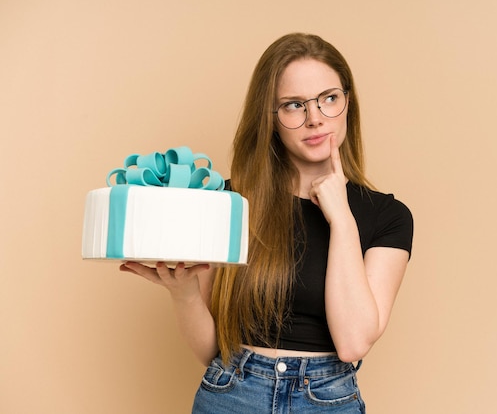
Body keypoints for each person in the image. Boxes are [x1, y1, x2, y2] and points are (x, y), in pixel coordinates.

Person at [120, 32, 413, 413]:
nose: (315, 119)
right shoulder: (228, 203)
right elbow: (212, 349)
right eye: (294, 105)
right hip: (231, 394)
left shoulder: (388, 217)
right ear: (270, 118)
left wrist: (341, 218)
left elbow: (353, 343)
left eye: (329, 99)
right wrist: (184, 293)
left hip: (327, 401)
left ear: (347, 102)